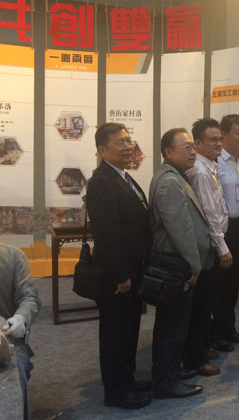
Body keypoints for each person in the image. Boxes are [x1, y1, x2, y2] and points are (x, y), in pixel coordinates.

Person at [86, 122, 152, 409]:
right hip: (117, 274)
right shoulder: (102, 182)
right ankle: (116, 392)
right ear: (103, 150)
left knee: (129, 328)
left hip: (133, 268)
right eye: (120, 143)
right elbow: (107, 234)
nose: (128, 147)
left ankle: (127, 379)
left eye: (129, 141)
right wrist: (121, 276)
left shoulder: (122, 176)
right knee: (115, 333)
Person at [148, 128, 211, 398]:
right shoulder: (169, 182)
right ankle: (166, 381)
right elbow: (180, 229)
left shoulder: (175, 176)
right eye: (187, 147)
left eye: (193, 147)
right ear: (168, 152)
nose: (193, 152)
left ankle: (169, 371)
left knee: (175, 324)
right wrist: (194, 265)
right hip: (176, 264)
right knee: (171, 327)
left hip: (178, 263)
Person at [183, 118, 226, 377]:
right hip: (208, 245)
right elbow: (209, 214)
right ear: (197, 143)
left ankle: (202, 346)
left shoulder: (209, 166)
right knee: (201, 304)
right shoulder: (199, 171)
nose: (218, 143)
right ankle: (196, 357)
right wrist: (222, 248)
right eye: (212, 140)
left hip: (212, 242)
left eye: (220, 139)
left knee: (206, 302)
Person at [215, 114, 239, 349]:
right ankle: (215, 332)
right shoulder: (215, 160)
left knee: (234, 282)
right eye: (238, 132)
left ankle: (229, 328)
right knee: (218, 284)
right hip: (222, 229)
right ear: (224, 134)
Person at [0, 243, 41, 420]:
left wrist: (20, 318)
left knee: (17, 372)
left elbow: (29, 297)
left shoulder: (13, 257)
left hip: (6, 338)